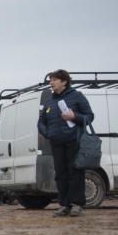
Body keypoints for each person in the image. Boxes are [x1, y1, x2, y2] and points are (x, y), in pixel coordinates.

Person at [38, 69, 94, 217]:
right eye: (50, 80)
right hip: (56, 142)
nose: (51, 83)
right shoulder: (49, 101)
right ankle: (64, 205)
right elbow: (41, 122)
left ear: (64, 81)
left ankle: (77, 205)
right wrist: (48, 133)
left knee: (75, 173)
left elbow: (89, 117)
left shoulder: (77, 96)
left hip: (73, 141)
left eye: (54, 80)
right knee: (60, 174)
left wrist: (74, 116)